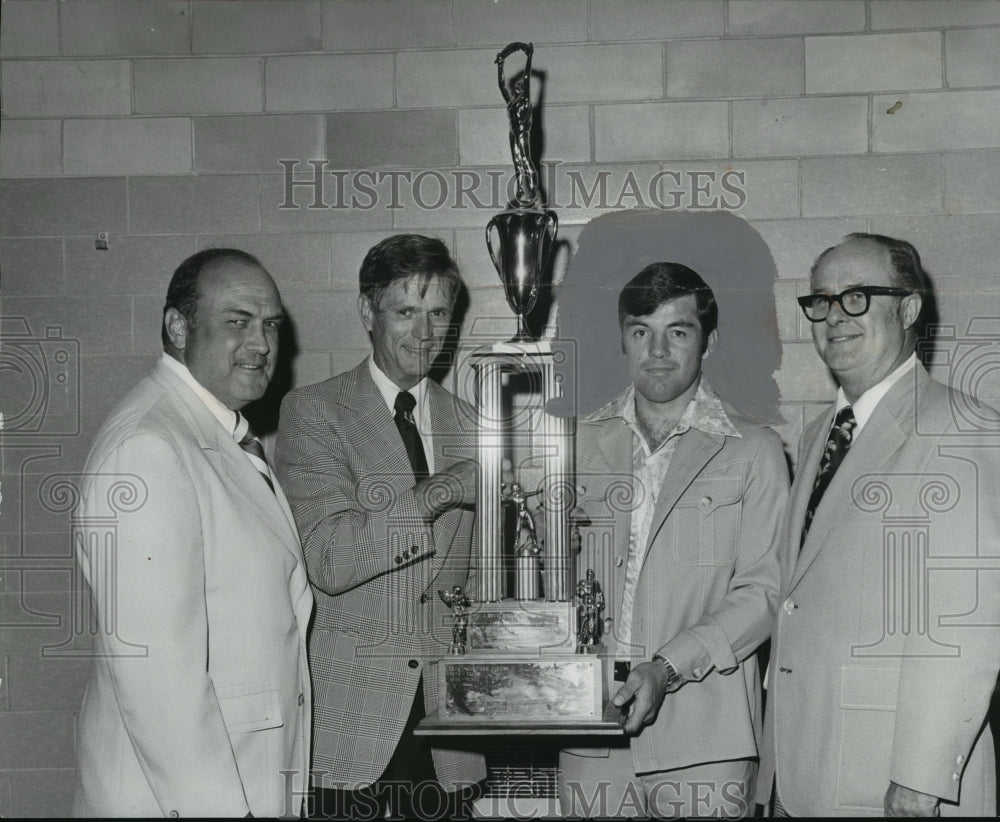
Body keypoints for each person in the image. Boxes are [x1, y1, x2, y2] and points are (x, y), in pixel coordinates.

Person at [758, 233, 1000, 816]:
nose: (834, 316)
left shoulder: (961, 428)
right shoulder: (817, 434)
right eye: (821, 300)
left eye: (858, 297)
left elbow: (965, 623)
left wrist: (918, 782)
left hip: (895, 783)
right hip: (806, 765)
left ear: (910, 309)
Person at [72, 249, 313, 817]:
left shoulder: (214, 432)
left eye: (270, 324)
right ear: (178, 327)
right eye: (237, 321)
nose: (260, 343)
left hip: (245, 775)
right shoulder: (148, 446)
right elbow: (159, 685)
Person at [559, 262, 787, 818]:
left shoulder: (753, 449)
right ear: (622, 338)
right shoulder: (572, 444)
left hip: (707, 741)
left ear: (708, 342)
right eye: (642, 331)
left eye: (677, 332)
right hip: (591, 734)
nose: (657, 351)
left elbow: (764, 593)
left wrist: (666, 668)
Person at [274, 234, 486, 820]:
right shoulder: (315, 412)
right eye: (406, 312)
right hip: (351, 729)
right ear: (367, 311)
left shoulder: (474, 425)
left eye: (438, 312)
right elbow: (329, 561)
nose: (425, 333)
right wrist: (441, 490)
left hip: (447, 733)